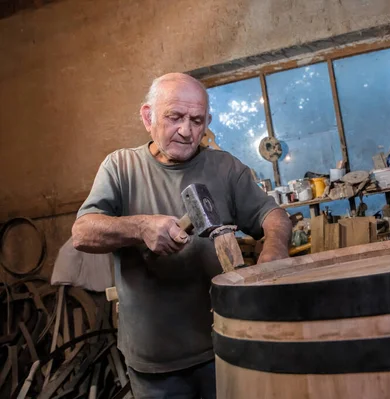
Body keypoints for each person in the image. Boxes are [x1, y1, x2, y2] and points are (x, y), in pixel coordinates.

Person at [71, 72, 292, 398]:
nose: (187, 131)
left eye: (197, 120)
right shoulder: (120, 167)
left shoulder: (225, 168)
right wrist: (140, 227)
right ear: (148, 117)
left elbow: (272, 214)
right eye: (175, 117)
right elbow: (82, 232)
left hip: (226, 345)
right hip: (155, 363)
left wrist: (275, 248)